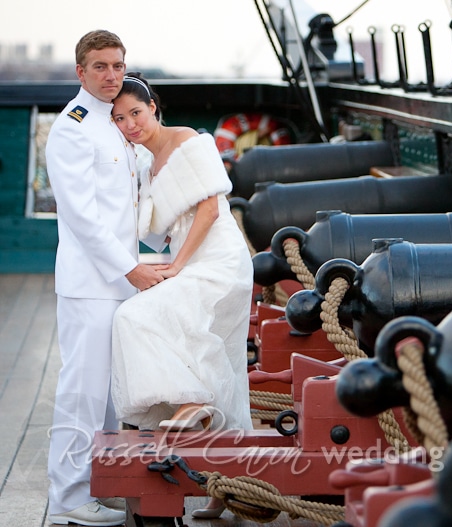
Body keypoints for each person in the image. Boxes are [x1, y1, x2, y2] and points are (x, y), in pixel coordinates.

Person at [110, 72, 254, 519]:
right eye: (119, 118)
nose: (130, 124)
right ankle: (227, 489)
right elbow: (158, 232)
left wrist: (176, 266)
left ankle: (191, 399)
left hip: (220, 259)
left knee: (134, 317)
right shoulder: (143, 165)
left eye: (136, 112)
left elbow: (210, 209)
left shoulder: (188, 139)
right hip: (190, 258)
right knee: (227, 361)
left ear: (153, 107)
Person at [46, 30, 165, 527]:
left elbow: (130, 205)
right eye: (100, 66)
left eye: (118, 65)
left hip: (120, 279)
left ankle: (105, 483)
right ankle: (67, 497)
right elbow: (83, 218)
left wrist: (164, 252)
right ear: (81, 72)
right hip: (92, 283)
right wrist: (132, 268)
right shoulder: (73, 128)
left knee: (116, 395)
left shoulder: (118, 121)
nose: (112, 75)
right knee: (84, 392)